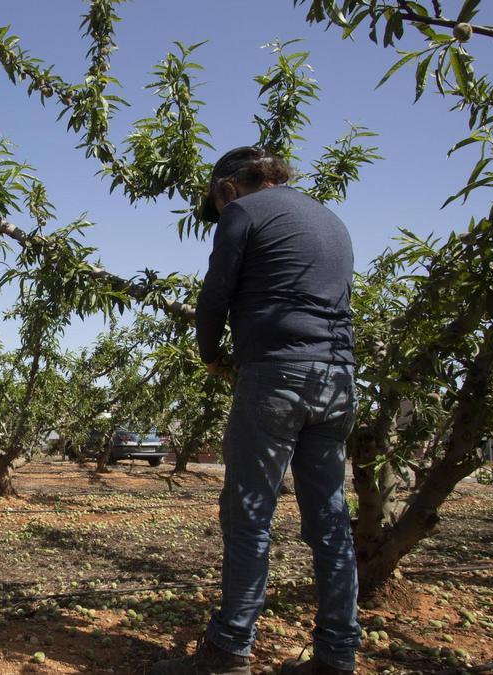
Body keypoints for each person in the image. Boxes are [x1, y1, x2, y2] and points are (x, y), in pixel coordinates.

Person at [153, 147, 360, 675]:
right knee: (330, 519)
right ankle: (337, 657)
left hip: (276, 377)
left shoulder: (242, 213)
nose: (220, 214)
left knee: (248, 516)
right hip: (336, 378)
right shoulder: (331, 220)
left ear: (227, 188)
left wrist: (210, 354)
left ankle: (227, 652)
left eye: (217, 205)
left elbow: (215, 293)